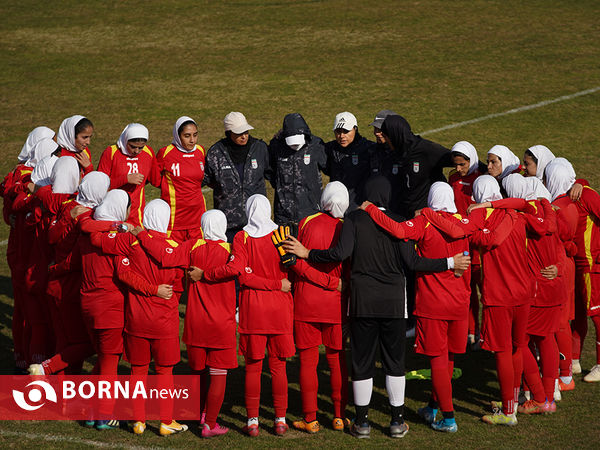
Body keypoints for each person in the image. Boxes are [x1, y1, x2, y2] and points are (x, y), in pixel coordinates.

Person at [283, 176, 468, 439]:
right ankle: (396, 421)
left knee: (362, 363)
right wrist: (449, 263)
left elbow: (339, 254)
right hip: (394, 303)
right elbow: (413, 262)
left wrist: (307, 253)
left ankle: (362, 423)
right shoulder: (399, 221)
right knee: (394, 363)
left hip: (362, 303)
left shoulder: (354, 220)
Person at [432, 175, 544, 425]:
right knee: (517, 347)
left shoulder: (481, 217)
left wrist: (432, 215)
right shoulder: (516, 215)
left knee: (504, 352)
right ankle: (512, 403)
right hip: (523, 292)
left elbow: (462, 232)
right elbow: (523, 206)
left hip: (499, 297)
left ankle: (508, 412)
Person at [360, 182, 471, 433]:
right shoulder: (463, 224)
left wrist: (371, 210)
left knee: (438, 360)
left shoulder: (426, 223)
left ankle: (449, 418)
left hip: (434, 304)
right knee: (448, 358)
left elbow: (398, 231)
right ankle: (433, 406)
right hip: (460, 303)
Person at [133, 209, 237, 438]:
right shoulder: (231, 250)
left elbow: (165, 256)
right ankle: (210, 424)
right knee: (218, 374)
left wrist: (142, 235)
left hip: (195, 322)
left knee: (197, 371)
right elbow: (239, 269)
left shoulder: (192, 246)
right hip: (222, 324)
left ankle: (197, 412)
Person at [198, 195, 295, 437]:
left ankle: (252, 421)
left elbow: (244, 277)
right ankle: (280, 420)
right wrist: (278, 284)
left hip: (253, 310)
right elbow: (291, 268)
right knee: (278, 367)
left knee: (253, 367)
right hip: (280, 309)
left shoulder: (242, 237)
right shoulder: (281, 234)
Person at [90, 199, 188, 436]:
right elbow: (180, 284)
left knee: (138, 371)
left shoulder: (131, 242)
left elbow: (122, 273)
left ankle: (139, 421)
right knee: (165, 372)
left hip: (137, 319)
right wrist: (162, 294)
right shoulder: (175, 246)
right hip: (164, 321)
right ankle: (166, 421)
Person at [472, 174, 561, 414]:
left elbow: (480, 235)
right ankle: (543, 397)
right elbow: (554, 235)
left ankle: (514, 407)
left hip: (505, 295)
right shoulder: (523, 215)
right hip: (529, 291)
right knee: (524, 345)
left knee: (508, 349)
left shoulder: (482, 216)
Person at [291, 181, 350, 433]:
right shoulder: (346, 228)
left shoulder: (306, 222)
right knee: (337, 361)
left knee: (308, 362)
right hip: (334, 306)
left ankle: (310, 418)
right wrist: (333, 283)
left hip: (305, 302)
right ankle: (338, 416)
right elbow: (347, 275)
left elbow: (295, 263)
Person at [545, 159, 600, 382]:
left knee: (596, 313)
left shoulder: (586, 195)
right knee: (576, 313)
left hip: (590, 265)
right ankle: (574, 360)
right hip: (572, 265)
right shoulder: (563, 196)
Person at [204, 112, 271, 241]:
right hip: (228, 226)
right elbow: (206, 179)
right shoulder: (216, 153)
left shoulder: (260, 149)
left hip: (257, 225)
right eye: (239, 133)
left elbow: (272, 173)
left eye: (246, 131)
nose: (244, 136)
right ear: (228, 133)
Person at [448, 140, 486, 348]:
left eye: (462, 164)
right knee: (467, 290)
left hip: (479, 244)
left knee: (486, 292)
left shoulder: (482, 179)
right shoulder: (453, 178)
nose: (458, 168)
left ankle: (486, 333)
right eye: (456, 164)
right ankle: (471, 331)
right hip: (460, 242)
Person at [379, 115, 452, 218]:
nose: (386, 141)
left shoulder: (426, 150)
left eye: (386, 137)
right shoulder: (394, 153)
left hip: (426, 218)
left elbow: (462, 159)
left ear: (394, 136)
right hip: (404, 216)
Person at [268, 113, 327, 225]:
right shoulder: (276, 147)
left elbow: (328, 167)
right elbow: (270, 172)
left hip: (311, 214)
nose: (295, 145)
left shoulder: (316, 146)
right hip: (283, 217)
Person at [98, 123, 160, 226]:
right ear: (125, 139)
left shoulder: (148, 152)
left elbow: (156, 180)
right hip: (111, 214)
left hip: (136, 216)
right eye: (133, 146)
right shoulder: (111, 152)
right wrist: (125, 179)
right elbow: (99, 187)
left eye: (141, 147)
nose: (136, 151)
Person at [156, 116, 206, 242]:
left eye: (195, 135)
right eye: (187, 135)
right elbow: (155, 180)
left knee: (197, 258)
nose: (192, 140)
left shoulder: (200, 151)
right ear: (177, 135)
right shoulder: (165, 153)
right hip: (174, 220)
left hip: (197, 217)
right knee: (174, 259)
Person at [324, 112, 375, 209]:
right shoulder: (329, 149)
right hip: (335, 209)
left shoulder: (369, 149)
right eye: (338, 131)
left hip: (359, 209)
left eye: (346, 131)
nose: (341, 136)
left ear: (355, 129)